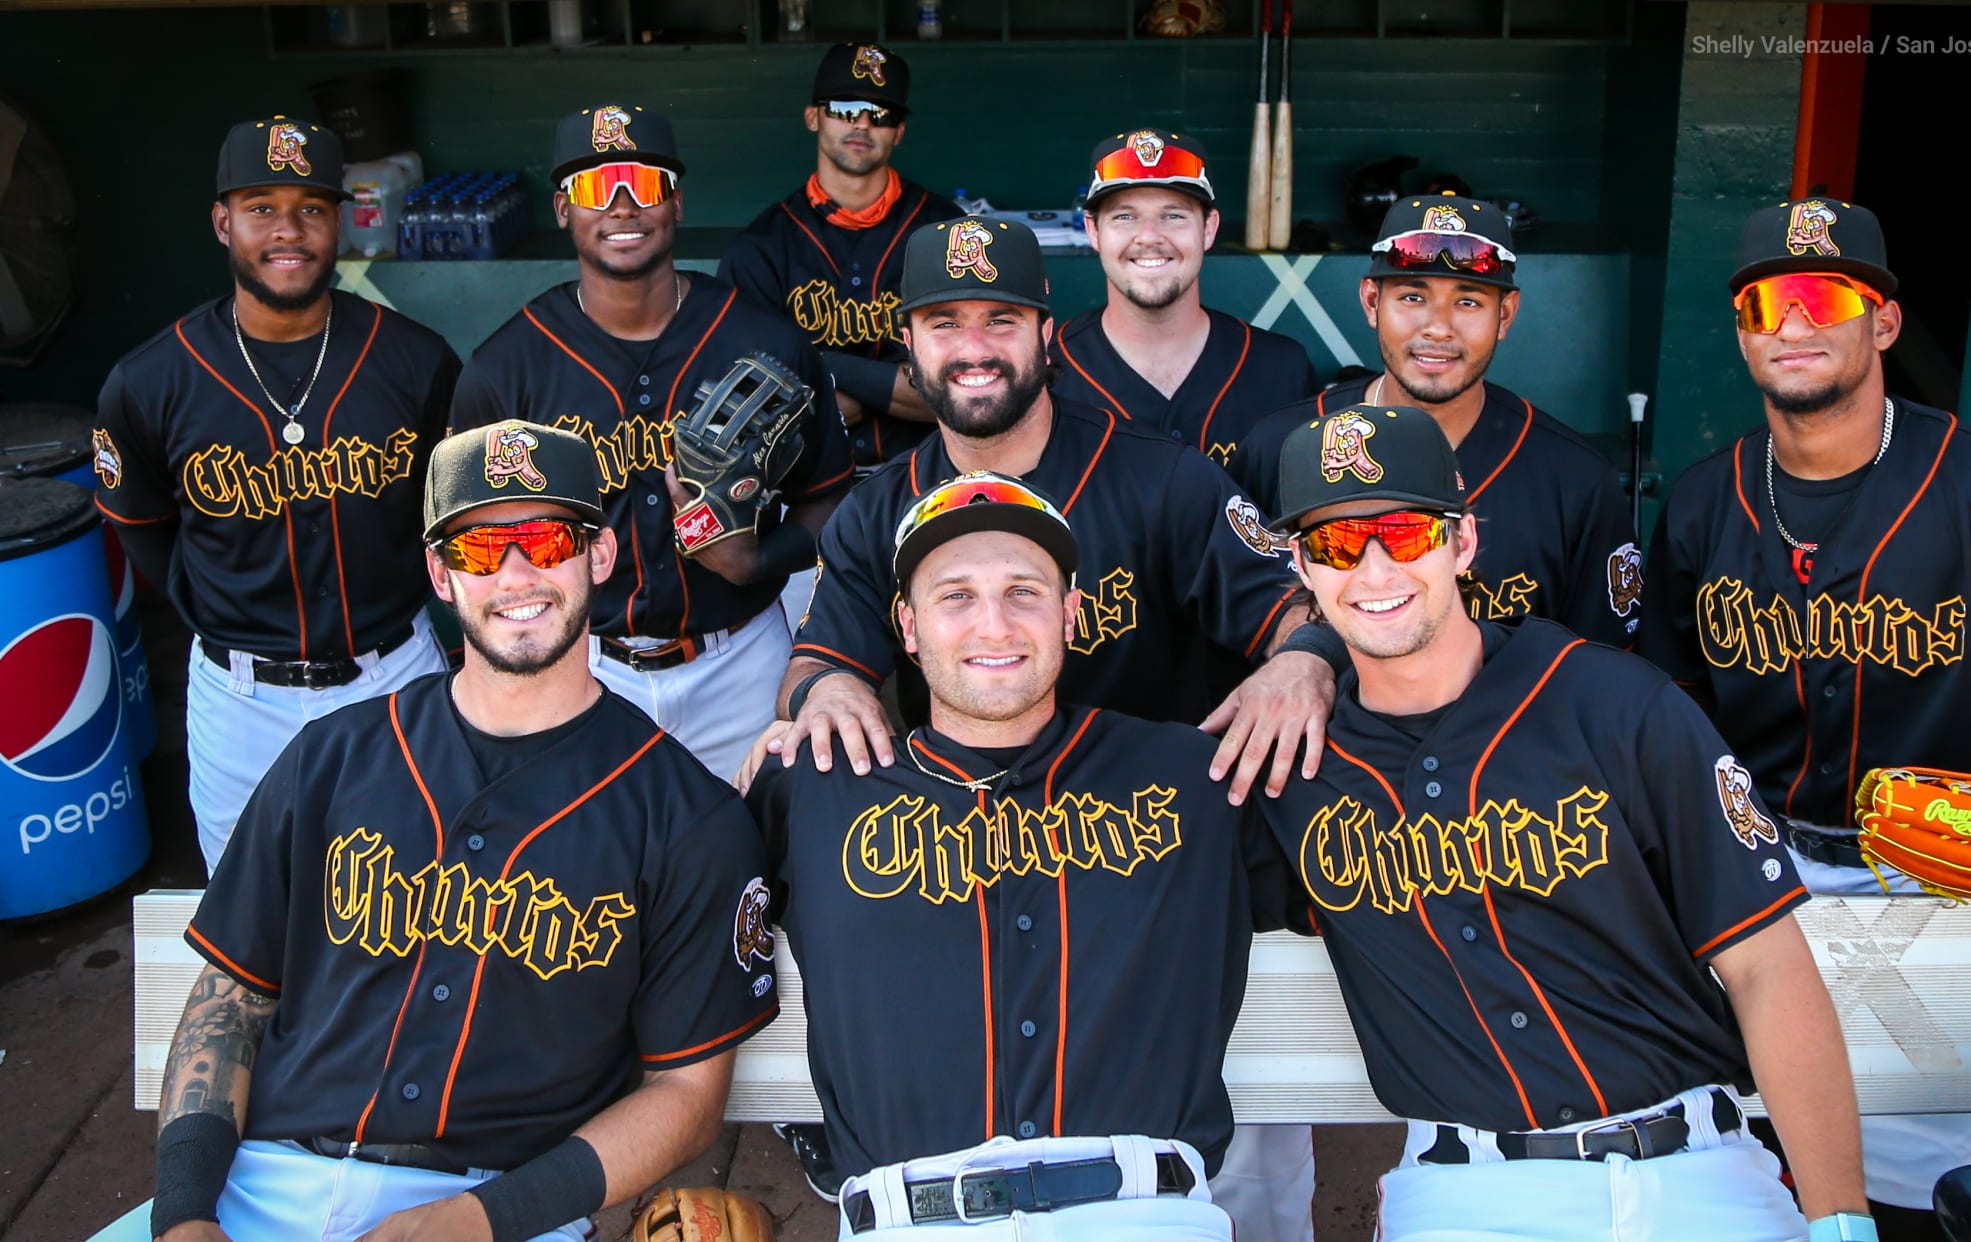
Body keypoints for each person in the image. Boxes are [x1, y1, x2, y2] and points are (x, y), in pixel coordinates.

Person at [742, 216, 1340, 1233]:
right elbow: (828, 658)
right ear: (912, 345)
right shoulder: (879, 507)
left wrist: (1304, 661)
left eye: (1002, 319)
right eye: (945, 322)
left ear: (1048, 336)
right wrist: (819, 691)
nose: (975, 346)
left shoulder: (1163, 476)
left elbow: (1296, 614)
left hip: (1163, 878)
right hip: (974, 845)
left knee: (1247, 1170)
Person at [1638, 198, 1971, 1240]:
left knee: (1912, 1180)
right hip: (1755, 873)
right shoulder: (1703, 504)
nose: (1792, 324)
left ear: (1881, 322)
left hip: (1939, 874)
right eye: (1764, 304)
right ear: (1745, 333)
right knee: (1746, 1159)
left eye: (1825, 295)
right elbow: (1669, 698)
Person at [146, 422, 778, 1242]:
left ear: (600, 555)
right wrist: (185, 1216)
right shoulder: (332, 759)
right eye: (479, 549)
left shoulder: (689, 817)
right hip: (260, 1184)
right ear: (441, 575)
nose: (516, 573)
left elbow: (688, 1101)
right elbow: (230, 996)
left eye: (548, 538)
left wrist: (476, 1220)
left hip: (506, 1208)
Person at [1259, 402, 1875, 1242]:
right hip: (1464, 1192)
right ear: (1302, 566)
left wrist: (1842, 1223)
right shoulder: (1288, 766)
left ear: (1463, 543)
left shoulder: (1618, 706)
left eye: (1404, 532)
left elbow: (1768, 967)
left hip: (1692, 1170)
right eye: (1335, 543)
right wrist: (1297, 660)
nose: (1372, 569)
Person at [745, 473, 1298, 1240]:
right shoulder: (810, 793)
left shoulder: (1194, 777)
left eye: (1025, 592)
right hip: (910, 1221)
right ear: (906, 626)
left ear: (1072, 614)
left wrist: (1316, 659)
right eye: (956, 596)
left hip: (1141, 1212)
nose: (994, 624)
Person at [92, 115, 458, 874]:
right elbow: (141, 523)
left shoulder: (415, 361)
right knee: (249, 920)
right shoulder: (150, 379)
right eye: (261, 207)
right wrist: (214, 611)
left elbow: (452, 512)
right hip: (240, 699)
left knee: (418, 904)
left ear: (337, 222)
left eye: (310, 208)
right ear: (223, 222)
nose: (287, 230)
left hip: (394, 674)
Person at [451, 102, 855, 779]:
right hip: (581, 667)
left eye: (644, 184)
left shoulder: (765, 339)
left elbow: (834, 498)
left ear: (676, 203)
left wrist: (755, 560)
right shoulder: (506, 368)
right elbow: (470, 547)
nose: (620, 205)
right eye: (593, 186)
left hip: (740, 662)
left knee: (756, 861)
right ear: (562, 209)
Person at [1234, 194, 1640, 648]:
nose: (1438, 328)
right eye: (1412, 296)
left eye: (1468, 302)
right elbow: (1240, 614)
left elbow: (1603, 664)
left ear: (1504, 315)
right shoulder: (1279, 447)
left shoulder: (1575, 478)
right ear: (1371, 301)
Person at [718, 42, 961, 473]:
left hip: (931, 475)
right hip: (803, 488)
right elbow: (750, 410)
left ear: (898, 131)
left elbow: (963, 392)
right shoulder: (761, 248)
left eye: (880, 114)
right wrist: (892, 384)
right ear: (814, 117)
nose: (863, 124)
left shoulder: (946, 233)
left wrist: (816, 364)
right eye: (846, 108)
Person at [1050, 128, 1319, 467]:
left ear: (1208, 228)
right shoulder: (1046, 370)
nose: (1148, 237)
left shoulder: (1282, 368)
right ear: (1093, 231)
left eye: (1173, 215)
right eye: (1125, 216)